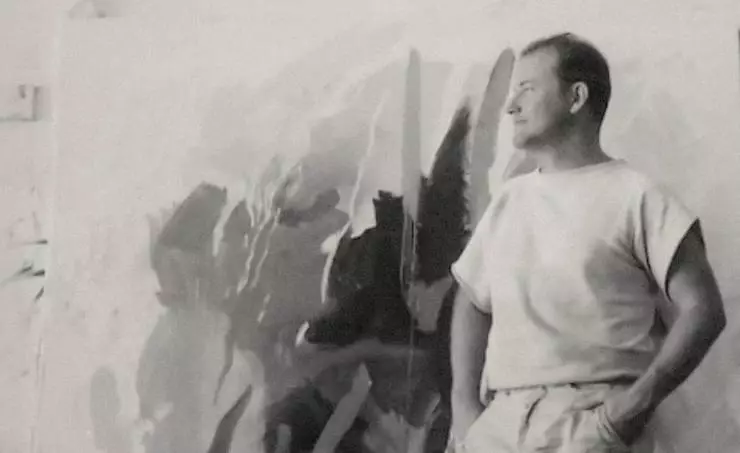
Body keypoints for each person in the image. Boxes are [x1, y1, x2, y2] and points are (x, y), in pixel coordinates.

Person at [448, 32, 727, 452]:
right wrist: (464, 408)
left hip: (591, 423)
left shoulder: (638, 195)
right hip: (498, 426)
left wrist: (626, 412)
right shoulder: (509, 200)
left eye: (527, 88)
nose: (511, 106)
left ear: (576, 97)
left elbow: (703, 310)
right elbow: (472, 299)